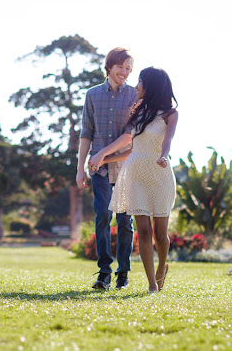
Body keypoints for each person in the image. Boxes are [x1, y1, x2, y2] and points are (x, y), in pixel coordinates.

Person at [88, 67, 178, 294]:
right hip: (135, 173)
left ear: (152, 86)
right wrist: (104, 158)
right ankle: (151, 285)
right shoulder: (136, 112)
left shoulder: (170, 114)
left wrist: (164, 155)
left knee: (160, 233)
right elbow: (131, 148)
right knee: (144, 231)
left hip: (160, 171)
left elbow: (166, 142)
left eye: (139, 82)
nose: (136, 86)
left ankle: (161, 269)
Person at [76, 47, 138, 290]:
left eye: (129, 69)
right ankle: (103, 272)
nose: (125, 72)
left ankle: (123, 274)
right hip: (97, 169)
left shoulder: (134, 95)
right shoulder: (92, 95)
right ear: (110, 66)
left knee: (124, 221)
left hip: (125, 167)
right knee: (103, 215)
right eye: (121, 67)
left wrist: (103, 153)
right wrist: (80, 168)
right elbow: (86, 133)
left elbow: (130, 135)